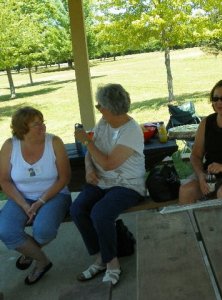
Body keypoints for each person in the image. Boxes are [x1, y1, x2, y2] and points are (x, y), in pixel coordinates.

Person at [70, 83, 146, 286]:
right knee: (77, 209)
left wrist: (86, 142)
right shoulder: (103, 123)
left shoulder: (131, 131)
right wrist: (88, 169)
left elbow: (109, 163)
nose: (98, 109)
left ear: (108, 108)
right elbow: (92, 153)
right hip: (102, 181)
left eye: (99, 106)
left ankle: (112, 263)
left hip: (127, 185)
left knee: (100, 213)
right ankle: (101, 257)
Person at [0, 107, 71, 285]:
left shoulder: (54, 142)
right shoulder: (10, 145)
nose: (43, 127)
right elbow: (4, 180)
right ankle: (42, 261)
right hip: (21, 197)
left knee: (44, 230)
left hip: (55, 194)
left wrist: (40, 201)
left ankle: (30, 252)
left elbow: (65, 178)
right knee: (6, 230)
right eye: (36, 124)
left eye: (43, 122)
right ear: (23, 129)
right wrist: (24, 205)